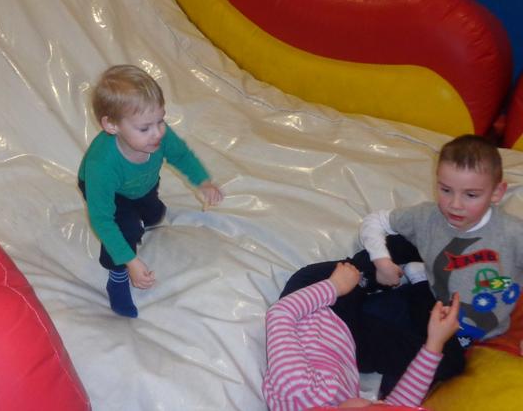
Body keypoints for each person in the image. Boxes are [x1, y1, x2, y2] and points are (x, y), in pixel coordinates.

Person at [78, 64, 224, 318]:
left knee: (154, 214)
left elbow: (181, 155)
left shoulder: (159, 136)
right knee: (126, 229)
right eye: (145, 128)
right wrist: (131, 261)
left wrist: (203, 182)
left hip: (143, 184)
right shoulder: (101, 165)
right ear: (112, 125)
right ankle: (117, 277)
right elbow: (102, 220)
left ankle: (146, 213)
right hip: (111, 193)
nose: (158, 133)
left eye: (161, 120)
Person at [360, 134, 523, 349]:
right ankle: (415, 275)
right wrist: (382, 261)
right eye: (446, 190)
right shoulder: (426, 217)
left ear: (496, 192)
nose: (455, 204)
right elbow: (375, 220)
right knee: (367, 319)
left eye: (471, 195)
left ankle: (416, 274)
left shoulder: (513, 232)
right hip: (434, 312)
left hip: (482, 329)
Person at [262, 262, 461, 410]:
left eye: (371, 405)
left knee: (359, 271)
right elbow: (398, 402)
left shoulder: (297, 388)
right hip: (348, 346)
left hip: (316, 303)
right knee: (450, 363)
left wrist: (335, 285)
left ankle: (378, 273)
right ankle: (409, 282)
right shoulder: (346, 404)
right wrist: (435, 341)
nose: (380, 401)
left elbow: (280, 314)